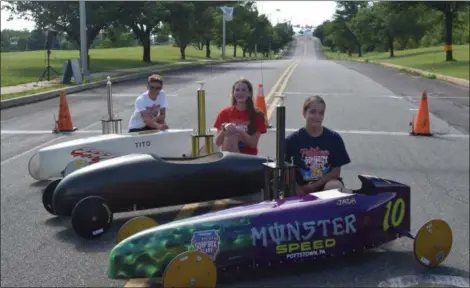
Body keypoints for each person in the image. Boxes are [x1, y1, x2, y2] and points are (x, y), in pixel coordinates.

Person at [285, 95, 351, 196]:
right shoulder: (292, 140)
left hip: (324, 184)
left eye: (321, 113)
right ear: (304, 113)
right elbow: (285, 170)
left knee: (334, 186)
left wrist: (313, 187)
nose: (317, 116)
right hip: (300, 186)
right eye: (312, 112)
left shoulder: (334, 138)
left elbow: (335, 172)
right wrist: (297, 188)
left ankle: (330, 211)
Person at [213, 78, 267, 155]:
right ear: (233, 93)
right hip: (228, 156)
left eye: (243, 90)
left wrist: (240, 131)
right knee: (230, 134)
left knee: (234, 133)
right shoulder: (224, 113)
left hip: (248, 158)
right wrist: (224, 129)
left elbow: (253, 144)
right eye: (237, 90)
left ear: (249, 93)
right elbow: (217, 143)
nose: (240, 93)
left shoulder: (257, 115)